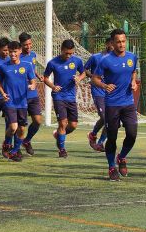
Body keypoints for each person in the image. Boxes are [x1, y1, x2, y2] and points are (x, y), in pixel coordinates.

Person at [91, 29, 139, 182]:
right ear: (112, 43)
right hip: (112, 104)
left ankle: (122, 157)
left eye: (124, 41)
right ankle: (112, 167)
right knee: (111, 138)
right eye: (118, 41)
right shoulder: (105, 60)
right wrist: (104, 86)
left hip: (128, 103)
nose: (121, 44)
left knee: (132, 135)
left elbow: (133, 72)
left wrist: (133, 82)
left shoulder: (132, 57)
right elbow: (95, 79)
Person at [0, 41, 36, 162]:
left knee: (22, 129)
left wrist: (32, 86)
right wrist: (3, 94)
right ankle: (7, 144)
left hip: (22, 102)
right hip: (10, 102)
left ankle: (15, 150)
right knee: (13, 127)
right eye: (10, 51)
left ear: (19, 51)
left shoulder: (27, 65)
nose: (12, 54)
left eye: (15, 51)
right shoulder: (3, 66)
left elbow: (32, 80)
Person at [44, 39, 85, 158]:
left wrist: (79, 78)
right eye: (66, 53)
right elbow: (45, 77)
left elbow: (83, 73)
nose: (69, 56)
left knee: (73, 125)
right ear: (61, 50)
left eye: (71, 53)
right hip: (59, 96)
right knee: (62, 123)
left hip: (71, 97)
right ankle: (62, 149)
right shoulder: (53, 63)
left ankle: (59, 135)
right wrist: (53, 86)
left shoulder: (77, 61)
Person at [84, 37, 112, 152]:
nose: (113, 46)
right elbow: (85, 69)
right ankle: (96, 137)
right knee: (106, 118)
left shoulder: (116, 59)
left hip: (110, 91)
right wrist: (93, 77)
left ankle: (98, 140)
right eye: (111, 43)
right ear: (106, 44)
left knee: (109, 119)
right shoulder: (95, 57)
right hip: (98, 90)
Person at [19, 32, 43, 155]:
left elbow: (32, 69)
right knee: (20, 125)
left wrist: (38, 76)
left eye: (29, 44)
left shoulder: (33, 55)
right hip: (21, 95)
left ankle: (27, 141)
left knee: (38, 121)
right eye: (25, 45)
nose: (28, 46)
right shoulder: (17, 57)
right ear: (20, 45)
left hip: (32, 94)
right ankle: (14, 148)